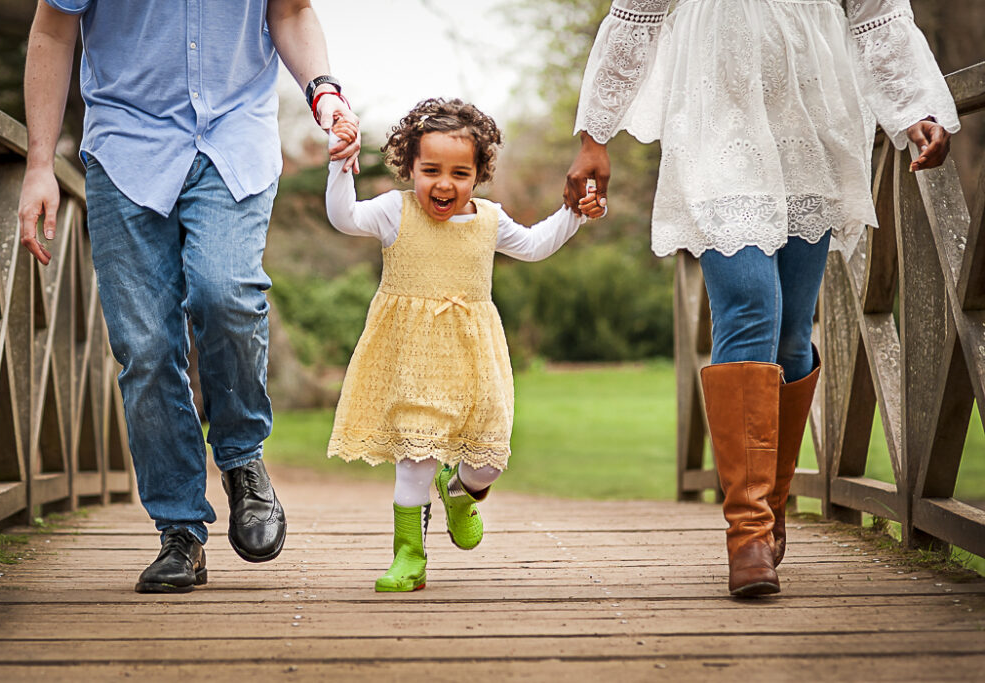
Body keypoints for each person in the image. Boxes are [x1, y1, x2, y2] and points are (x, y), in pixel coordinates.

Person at [566, 0, 957, 596]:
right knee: (750, 305)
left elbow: (879, 17)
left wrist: (916, 112)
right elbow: (634, 19)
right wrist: (594, 137)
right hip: (714, 126)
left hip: (810, 126)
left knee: (793, 333)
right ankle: (747, 534)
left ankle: (769, 516)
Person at [17, 0, 360, 593]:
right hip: (126, 145)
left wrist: (322, 90)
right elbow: (52, 28)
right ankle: (180, 531)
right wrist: (40, 163)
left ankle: (242, 457)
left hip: (234, 136)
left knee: (226, 292)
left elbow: (291, 11)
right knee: (146, 347)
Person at [324, 98, 604, 592]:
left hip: (474, 360)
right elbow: (344, 216)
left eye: (460, 172)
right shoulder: (395, 212)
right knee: (414, 458)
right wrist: (340, 166)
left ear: (478, 175)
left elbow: (537, 245)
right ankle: (409, 555)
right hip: (412, 357)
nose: (444, 183)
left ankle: (459, 493)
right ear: (409, 166)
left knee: (488, 462)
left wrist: (573, 213)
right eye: (430, 170)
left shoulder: (488, 221)